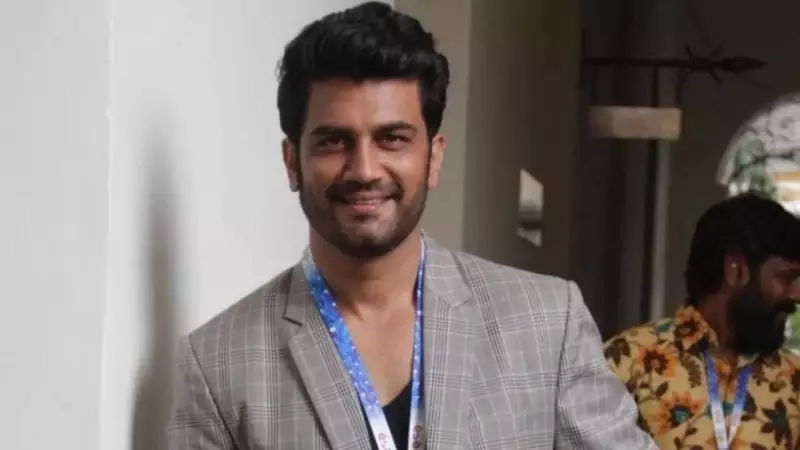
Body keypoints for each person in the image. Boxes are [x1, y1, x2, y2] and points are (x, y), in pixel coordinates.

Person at [167, 2, 655, 449]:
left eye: (392, 139)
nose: (364, 170)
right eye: (333, 141)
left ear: (433, 158)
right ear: (292, 161)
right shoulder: (218, 363)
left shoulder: (547, 323)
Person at [605, 193, 800, 450]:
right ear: (735, 270)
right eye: (786, 278)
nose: (796, 295)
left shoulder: (794, 380)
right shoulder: (626, 361)